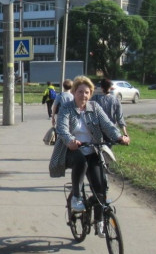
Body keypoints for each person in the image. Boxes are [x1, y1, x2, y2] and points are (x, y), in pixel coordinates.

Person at [49, 75, 129, 237]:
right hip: (71, 149)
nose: (83, 95)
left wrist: (119, 137)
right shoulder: (67, 108)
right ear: (73, 92)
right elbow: (62, 127)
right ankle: (76, 198)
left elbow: (107, 124)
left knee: (100, 188)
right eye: (80, 92)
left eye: (87, 92)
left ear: (91, 93)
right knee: (80, 161)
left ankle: (99, 221)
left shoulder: (95, 107)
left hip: (93, 149)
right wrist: (70, 140)